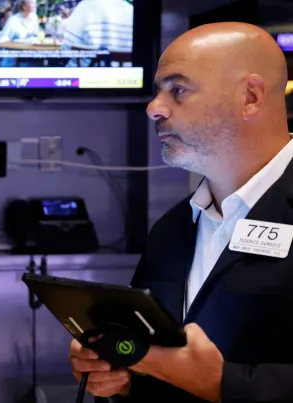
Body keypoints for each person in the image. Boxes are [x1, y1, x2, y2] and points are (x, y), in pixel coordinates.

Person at [69, 22, 293, 402]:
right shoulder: (172, 229)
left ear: (251, 97)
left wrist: (223, 384)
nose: (153, 108)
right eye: (158, 91)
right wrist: (123, 378)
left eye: (178, 90)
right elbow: (159, 358)